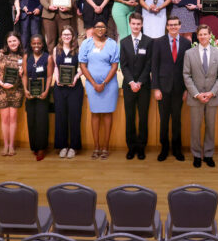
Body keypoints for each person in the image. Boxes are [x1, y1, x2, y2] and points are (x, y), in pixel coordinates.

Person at [182, 24, 218, 168]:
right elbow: (186, 75)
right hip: (196, 98)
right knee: (195, 127)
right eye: (200, 34)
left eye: (205, 34)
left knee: (211, 127)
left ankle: (208, 154)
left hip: (212, 97)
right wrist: (197, 94)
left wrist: (212, 92)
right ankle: (196, 155)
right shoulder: (189, 53)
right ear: (197, 36)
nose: (203, 37)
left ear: (210, 35)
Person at [150, 16, 190, 162]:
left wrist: (186, 89)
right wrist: (156, 88)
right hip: (163, 88)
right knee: (164, 120)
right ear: (167, 27)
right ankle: (164, 149)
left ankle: (177, 149)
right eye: (170, 25)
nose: (173, 27)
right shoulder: (159, 42)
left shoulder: (186, 43)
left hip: (179, 88)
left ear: (180, 26)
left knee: (177, 120)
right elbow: (154, 66)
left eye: (175, 24)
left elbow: (188, 68)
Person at [80, 21, 120, 159]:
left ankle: (105, 147)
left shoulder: (112, 44)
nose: (100, 29)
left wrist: (103, 83)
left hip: (109, 85)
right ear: (93, 29)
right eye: (97, 26)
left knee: (108, 114)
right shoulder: (86, 43)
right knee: (95, 114)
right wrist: (94, 83)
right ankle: (96, 147)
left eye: (103, 26)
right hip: (92, 85)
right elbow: (83, 65)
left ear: (106, 29)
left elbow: (115, 66)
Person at [119, 13, 153, 160]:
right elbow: (124, 65)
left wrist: (139, 82)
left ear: (142, 24)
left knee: (143, 117)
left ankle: (141, 147)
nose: (136, 26)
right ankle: (131, 147)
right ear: (129, 24)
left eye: (138, 24)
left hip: (144, 86)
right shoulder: (124, 41)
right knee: (130, 117)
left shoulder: (148, 41)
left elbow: (149, 64)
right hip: (128, 86)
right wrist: (132, 82)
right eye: (133, 24)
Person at [0, 32, 24, 156]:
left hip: (17, 90)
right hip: (1, 89)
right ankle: (5, 145)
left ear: (19, 41)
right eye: (10, 41)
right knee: (5, 119)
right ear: (7, 43)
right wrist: (1, 83)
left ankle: (12, 146)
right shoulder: (0, 53)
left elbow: (26, 73)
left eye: (14, 40)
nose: (12, 43)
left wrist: (22, 72)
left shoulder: (23, 55)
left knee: (13, 117)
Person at [53, 26, 84, 159]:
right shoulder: (56, 49)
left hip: (75, 87)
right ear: (61, 36)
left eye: (69, 34)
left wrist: (76, 78)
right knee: (61, 117)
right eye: (64, 34)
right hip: (60, 87)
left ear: (72, 36)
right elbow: (55, 67)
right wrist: (57, 78)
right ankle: (63, 146)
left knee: (74, 117)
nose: (66, 36)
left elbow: (83, 67)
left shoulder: (78, 49)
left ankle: (74, 147)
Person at [22, 34, 53, 160]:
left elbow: (50, 76)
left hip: (42, 94)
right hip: (29, 93)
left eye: (39, 43)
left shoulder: (48, 57)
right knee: (31, 120)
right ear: (30, 44)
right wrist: (25, 90)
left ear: (42, 44)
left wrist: (46, 91)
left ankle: (41, 148)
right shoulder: (26, 56)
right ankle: (34, 146)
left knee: (42, 121)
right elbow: (24, 75)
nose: (36, 46)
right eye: (34, 43)